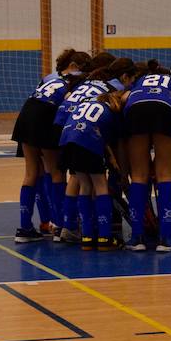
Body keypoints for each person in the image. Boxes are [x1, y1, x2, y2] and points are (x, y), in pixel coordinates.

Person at [11, 51, 91, 243]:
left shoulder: (49, 79)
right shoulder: (74, 82)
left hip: (26, 113)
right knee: (56, 171)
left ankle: (24, 228)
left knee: (31, 173)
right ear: (74, 66)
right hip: (46, 116)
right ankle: (59, 225)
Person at [123, 60, 171, 252]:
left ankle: (136, 237)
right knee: (165, 175)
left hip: (136, 106)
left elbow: (124, 98)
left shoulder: (138, 81)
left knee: (139, 175)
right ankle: (166, 237)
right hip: (164, 107)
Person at [59, 91, 128, 251]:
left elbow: (102, 139)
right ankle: (105, 237)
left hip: (69, 141)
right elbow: (111, 142)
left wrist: (111, 159)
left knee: (85, 186)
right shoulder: (112, 112)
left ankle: (87, 237)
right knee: (100, 185)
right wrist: (117, 166)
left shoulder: (90, 104)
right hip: (88, 139)